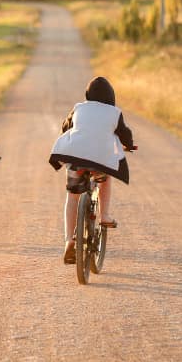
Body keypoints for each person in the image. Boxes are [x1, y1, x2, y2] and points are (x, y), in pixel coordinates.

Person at [48, 76, 134, 264]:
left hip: (76, 159)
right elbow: (124, 134)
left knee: (72, 198)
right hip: (99, 162)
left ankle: (69, 240)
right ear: (111, 96)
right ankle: (104, 215)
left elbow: (65, 126)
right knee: (106, 177)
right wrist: (130, 146)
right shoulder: (114, 112)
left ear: (88, 95)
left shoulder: (79, 108)